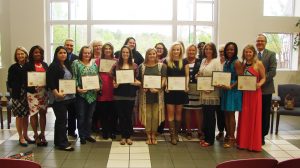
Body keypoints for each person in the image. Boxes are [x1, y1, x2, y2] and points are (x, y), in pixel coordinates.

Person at [237, 44, 266, 151]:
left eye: (250, 52)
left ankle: (253, 144)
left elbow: (264, 78)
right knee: (245, 117)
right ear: (244, 53)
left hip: (255, 94)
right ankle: (243, 143)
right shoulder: (244, 65)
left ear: (253, 53)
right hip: (245, 94)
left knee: (254, 117)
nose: (248, 54)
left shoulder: (259, 64)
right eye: (246, 52)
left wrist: (259, 84)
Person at [46, 46, 75, 151]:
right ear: (56, 54)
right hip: (57, 98)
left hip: (66, 97)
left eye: (64, 53)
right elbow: (50, 81)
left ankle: (58, 141)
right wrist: (56, 93)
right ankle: (63, 143)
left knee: (61, 120)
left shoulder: (66, 65)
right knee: (62, 120)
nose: (63, 54)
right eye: (60, 53)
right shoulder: (53, 66)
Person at [72, 46, 101, 144]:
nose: (87, 55)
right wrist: (77, 88)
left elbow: (97, 78)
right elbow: (74, 77)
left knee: (89, 117)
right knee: (81, 116)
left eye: (89, 53)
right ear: (81, 53)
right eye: (85, 53)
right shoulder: (76, 63)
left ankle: (88, 134)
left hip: (92, 95)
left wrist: (98, 87)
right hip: (81, 95)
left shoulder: (94, 65)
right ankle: (82, 136)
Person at [112, 45, 141, 145]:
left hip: (130, 95)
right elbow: (112, 79)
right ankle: (123, 136)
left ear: (130, 54)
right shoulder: (116, 65)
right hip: (118, 95)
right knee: (121, 116)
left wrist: (137, 83)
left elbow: (138, 80)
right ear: (121, 54)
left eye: (127, 52)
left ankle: (129, 136)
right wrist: (114, 84)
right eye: (123, 52)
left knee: (128, 116)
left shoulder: (135, 66)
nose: (125, 54)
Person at [138, 48, 167, 145]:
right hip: (145, 96)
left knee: (155, 117)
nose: (152, 55)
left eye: (154, 54)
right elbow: (139, 81)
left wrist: (158, 88)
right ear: (146, 55)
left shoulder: (161, 66)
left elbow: (164, 79)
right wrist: (142, 87)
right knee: (148, 116)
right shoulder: (141, 66)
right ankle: (148, 135)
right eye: (150, 54)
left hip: (157, 96)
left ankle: (153, 134)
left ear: (156, 55)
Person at [7, 47, 35, 147]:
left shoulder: (30, 66)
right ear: (16, 56)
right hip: (17, 94)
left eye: (22, 54)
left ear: (26, 55)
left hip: (28, 94)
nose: (20, 56)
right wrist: (14, 92)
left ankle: (26, 135)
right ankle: (20, 137)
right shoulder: (13, 67)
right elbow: (9, 83)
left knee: (26, 115)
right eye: (18, 54)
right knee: (19, 116)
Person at [164, 42, 189, 145]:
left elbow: (187, 76)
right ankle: (172, 136)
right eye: (174, 49)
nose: (176, 51)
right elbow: (164, 76)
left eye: (178, 49)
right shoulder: (166, 61)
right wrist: (165, 86)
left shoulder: (185, 61)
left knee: (178, 113)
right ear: (171, 50)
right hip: (170, 92)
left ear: (181, 50)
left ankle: (176, 134)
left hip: (181, 91)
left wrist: (186, 86)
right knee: (170, 114)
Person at [24, 45, 48, 146]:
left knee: (43, 113)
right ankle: (35, 135)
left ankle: (42, 134)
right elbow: (24, 80)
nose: (38, 54)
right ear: (32, 54)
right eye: (35, 52)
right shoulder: (28, 65)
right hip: (32, 93)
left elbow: (48, 77)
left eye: (39, 52)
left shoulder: (45, 64)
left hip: (43, 93)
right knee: (33, 114)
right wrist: (33, 87)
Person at [198, 42, 221, 147]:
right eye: (206, 49)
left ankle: (210, 140)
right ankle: (206, 137)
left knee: (211, 117)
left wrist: (211, 89)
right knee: (206, 116)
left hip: (212, 92)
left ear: (213, 50)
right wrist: (198, 75)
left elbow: (219, 78)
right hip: (203, 92)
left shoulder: (216, 62)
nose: (207, 50)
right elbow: (202, 74)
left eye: (210, 49)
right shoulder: (203, 60)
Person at [220, 42, 243, 148]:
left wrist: (231, 86)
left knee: (231, 114)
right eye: (228, 49)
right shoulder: (227, 61)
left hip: (233, 91)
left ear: (235, 51)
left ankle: (232, 138)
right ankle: (228, 135)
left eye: (232, 49)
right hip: (225, 89)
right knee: (226, 114)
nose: (230, 51)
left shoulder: (237, 62)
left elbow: (240, 78)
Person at [256, 34, 277, 145]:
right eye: (258, 41)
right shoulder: (252, 54)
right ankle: (255, 133)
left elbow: (273, 72)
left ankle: (262, 136)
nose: (259, 42)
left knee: (264, 113)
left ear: (265, 42)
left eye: (262, 41)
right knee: (255, 113)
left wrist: (261, 80)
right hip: (253, 90)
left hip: (266, 90)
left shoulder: (271, 54)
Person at [95, 43, 117, 139]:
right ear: (103, 50)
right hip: (102, 90)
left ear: (112, 50)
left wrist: (112, 75)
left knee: (113, 113)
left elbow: (120, 75)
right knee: (103, 113)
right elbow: (94, 74)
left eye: (110, 49)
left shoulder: (116, 61)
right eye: (106, 49)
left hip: (113, 90)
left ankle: (112, 131)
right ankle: (105, 131)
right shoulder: (98, 61)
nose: (108, 50)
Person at [182, 44, 203, 140]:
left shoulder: (200, 61)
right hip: (186, 88)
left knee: (198, 110)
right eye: (189, 50)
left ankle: (199, 131)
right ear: (187, 51)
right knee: (187, 110)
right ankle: (188, 131)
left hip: (197, 89)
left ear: (196, 52)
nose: (191, 52)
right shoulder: (183, 61)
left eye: (193, 50)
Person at [64, 38, 78, 138]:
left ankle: (72, 131)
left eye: (71, 45)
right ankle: (63, 130)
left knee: (72, 112)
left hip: (73, 89)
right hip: (62, 89)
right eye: (67, 45)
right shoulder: (59, 56)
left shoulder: (76, 58)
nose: (69, 47)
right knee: (63, 112)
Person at [215, 45, 226, 141]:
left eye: (223, 51)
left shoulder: (229, 62)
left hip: (227, 91)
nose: (221, 53)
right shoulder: (216, 62)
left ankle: (229, 133)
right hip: (217, 92)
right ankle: (221, 131)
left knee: (227, 113)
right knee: (219, 113)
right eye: (220, 51)